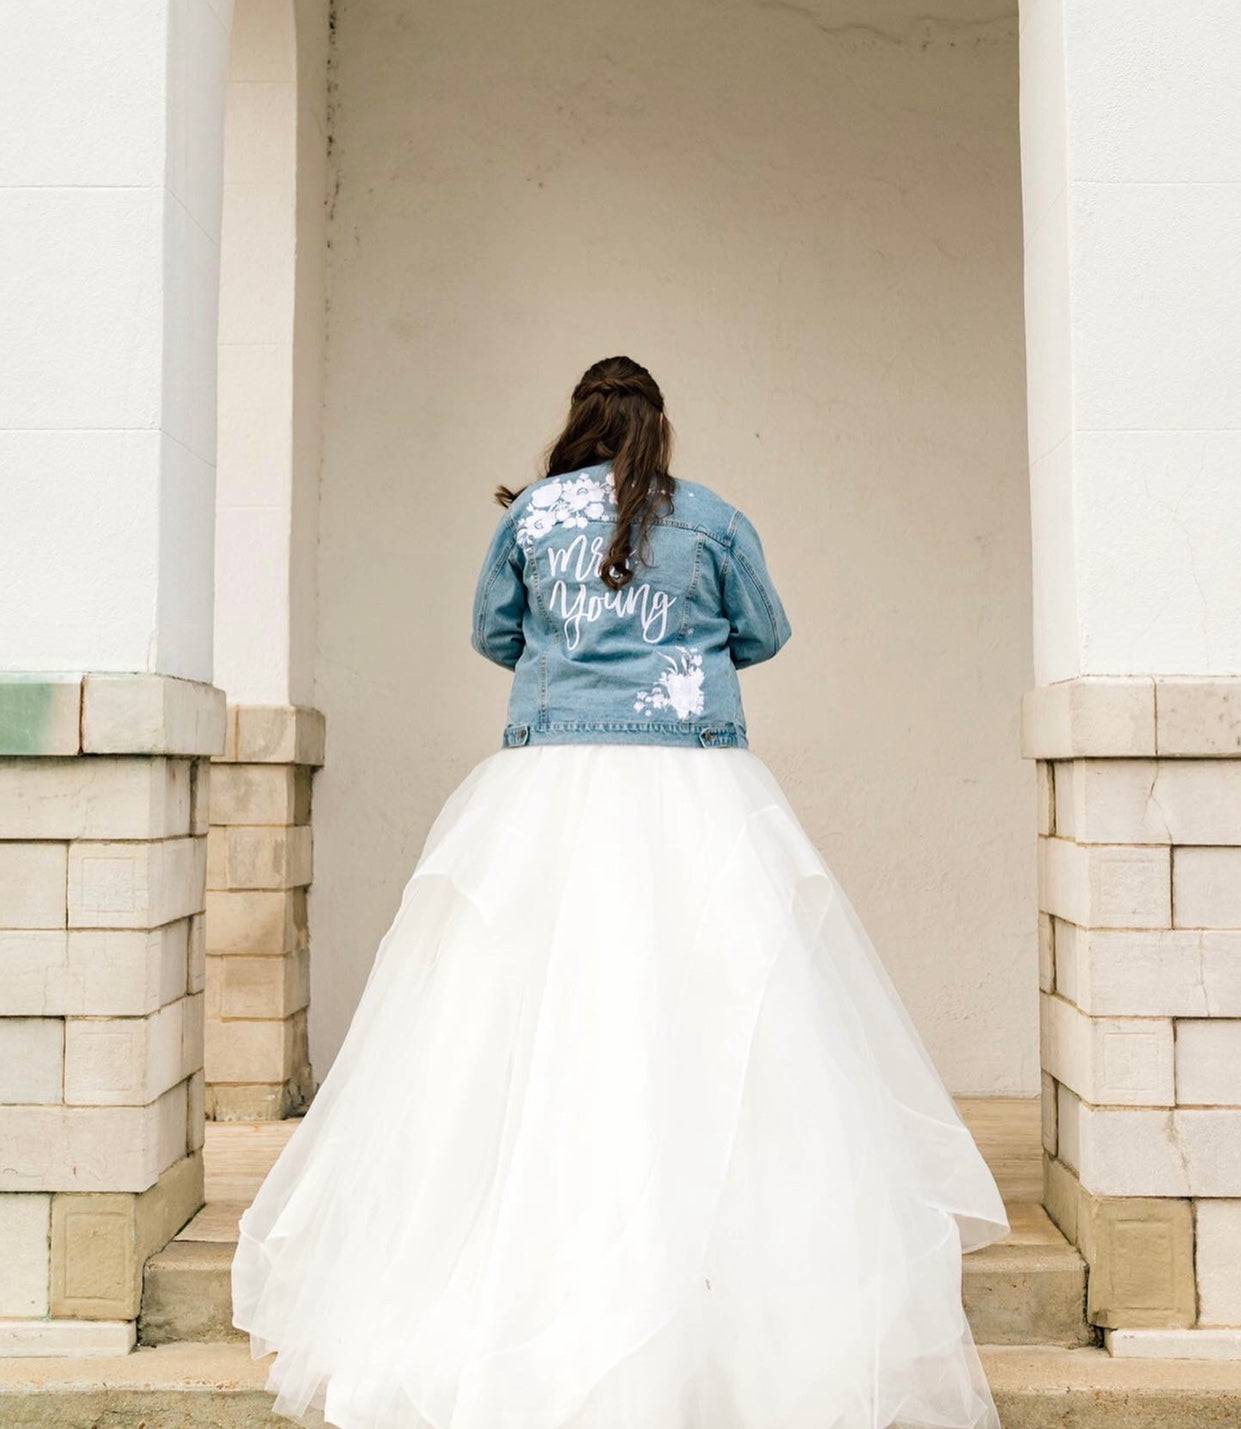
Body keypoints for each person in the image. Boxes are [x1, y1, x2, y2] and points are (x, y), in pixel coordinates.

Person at [231, 355, 1010, 1429]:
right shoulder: (712, 518)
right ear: (659, 424)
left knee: (529, 1013)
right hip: (693, 775)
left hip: (546, 777)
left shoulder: (530, 519)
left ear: (577, 421)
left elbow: (491, 635)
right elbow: (766, 631)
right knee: (710, 1009)